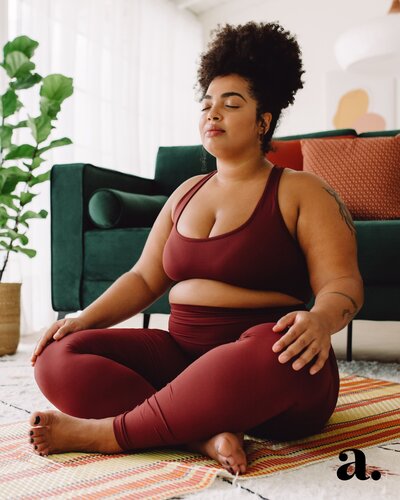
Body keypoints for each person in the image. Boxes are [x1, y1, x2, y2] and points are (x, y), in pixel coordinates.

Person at [28, 21, 363, 476]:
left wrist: (321, 320)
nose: (213, 114)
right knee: (56, 356)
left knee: (275, 347)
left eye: (231, 104)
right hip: (181, 357)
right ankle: (198, 432)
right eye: (206, 105)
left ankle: (108, 433)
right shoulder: (185, 192)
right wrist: (81, 319)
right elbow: (144, 278)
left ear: (264, 121)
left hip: (268, 365)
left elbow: (342, 283)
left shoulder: (303, 191)